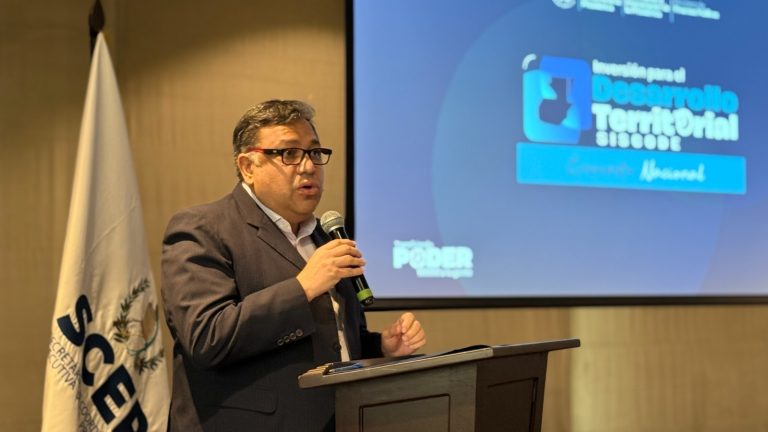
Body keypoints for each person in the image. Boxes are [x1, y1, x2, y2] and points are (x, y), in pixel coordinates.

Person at [161, 99, 426, 432]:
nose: (308, 166)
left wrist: (381, 346)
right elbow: (207, 338)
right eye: (289, 153)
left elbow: (338, 340)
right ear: (248, 166)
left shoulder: (325, 236)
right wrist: (303, 287)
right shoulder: (202, 228)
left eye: (314, 152)